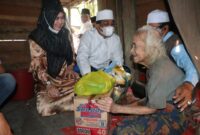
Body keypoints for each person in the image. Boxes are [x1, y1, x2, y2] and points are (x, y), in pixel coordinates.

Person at [96, 25, 188, 134]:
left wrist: (116, 109)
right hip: (162, 104)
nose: (131, 51)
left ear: (150, 48)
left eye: (135, 46)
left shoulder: (160, 71)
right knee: (125, 122)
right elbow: (151, 97)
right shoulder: (156, 64)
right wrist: (124, 107)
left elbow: (152, 108)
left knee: (123, 131)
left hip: (174, 115)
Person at [28, 0, 79, 116]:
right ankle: (75, 103)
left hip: (65, 78)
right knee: (45, 108)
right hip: (47, 80)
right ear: (47, 17)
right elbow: (37, 66)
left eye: (62, 18)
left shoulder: (66, 33)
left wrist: (70, 68)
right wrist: (49, 85)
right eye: (56, 18)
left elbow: (72, 55)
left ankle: (70, 101)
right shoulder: (37, 38)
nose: (60, 22)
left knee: (83, 88)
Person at [146, 9, 199, 111]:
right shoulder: (159, 42)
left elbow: (192, 68)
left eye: (152, 29)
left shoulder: (174, 44)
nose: (149, 33)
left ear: (165, 29)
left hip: (177, 97)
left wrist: (188, 85)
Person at [77, 9, 124, 76]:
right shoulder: (88, 36)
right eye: (106, 23)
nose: (109, 27)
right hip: (89, 68)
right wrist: (87, 76)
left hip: (107, 70)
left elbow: (118, 60)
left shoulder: (115, 39)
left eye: (111, 24)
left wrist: (116, 76)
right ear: (96, 25)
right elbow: (82, 57)